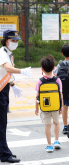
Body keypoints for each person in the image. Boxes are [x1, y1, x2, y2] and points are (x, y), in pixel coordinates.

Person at [0, 30, 32, 163]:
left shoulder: (8, 53)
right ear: (6, 40)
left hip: (4, 88)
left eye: (17, 40)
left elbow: (3, 73)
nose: (15, 43)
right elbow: (7, 68)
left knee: (2, 122)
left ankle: (3, 151)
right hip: (0, 91)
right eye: (13, 40)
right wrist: (22, 71)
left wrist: (12, 84)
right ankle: (4, 154)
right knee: (1, 123)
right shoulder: (2, 53)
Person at [35, 55, 63, 153]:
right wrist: (61, 107)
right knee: (56, 122)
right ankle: (56, 141)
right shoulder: (57, 80)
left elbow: (37, 96)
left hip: (45, 107)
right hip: (56, 106)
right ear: (54, 68)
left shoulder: (40, 81)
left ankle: (49, 145)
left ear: (42, 69)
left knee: (47, 125)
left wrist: (36, 108)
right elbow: (60, 95)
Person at [54, 44, 69, 139]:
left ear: (62, 54)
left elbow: (55, 75)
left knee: (64, 108)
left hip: (63, 91)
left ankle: (66, 127)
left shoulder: (59, 65)